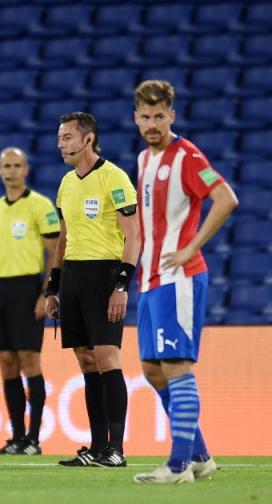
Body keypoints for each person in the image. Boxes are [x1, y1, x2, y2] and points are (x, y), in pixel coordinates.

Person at [130, 80, 237, 484]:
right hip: (152, 278)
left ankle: (178, 467)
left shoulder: (187, 155)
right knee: (152, 370)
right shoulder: (143, 160)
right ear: (136, 118)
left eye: (160, 116)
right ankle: (201, 457)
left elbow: (226, 198)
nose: (153, 123)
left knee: (176, 366)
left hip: (180, 277)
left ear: (172, 116)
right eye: (146, 116)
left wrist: (192, 247)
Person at [45, 112, 140, 468]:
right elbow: (63, 239)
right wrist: (53, 286)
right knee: (85, 361)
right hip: (73, 276)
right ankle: (97, 446)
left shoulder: (114, 178)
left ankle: (116, 448)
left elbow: (134, 236)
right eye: (59, 138)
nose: (60, 144)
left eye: (67, 137)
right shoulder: (66, 183)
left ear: (88, 139)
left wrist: (121, 285)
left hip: (104, 275)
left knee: (106, 358)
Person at [0, 148, 59, 456]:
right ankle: (16, 437)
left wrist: (47, 293)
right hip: (1, 288)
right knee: (6, 362)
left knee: (29, 360)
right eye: (7, 166)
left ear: (26, 169)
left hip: (29, 287)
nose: (12, 171)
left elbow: (56, 251)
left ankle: (34, 438)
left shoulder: (41, 205)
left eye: (17, 165)